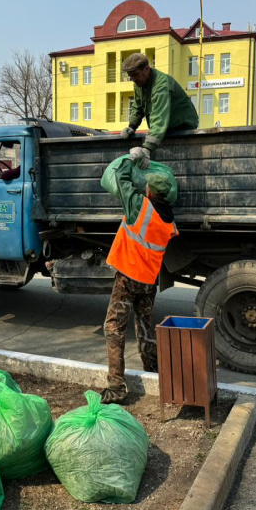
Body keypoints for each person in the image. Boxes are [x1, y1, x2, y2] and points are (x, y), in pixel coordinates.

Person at [101, 158, 178, 404]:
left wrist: (131, 158)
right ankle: (152, 368)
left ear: (149, 191)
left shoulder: (139, 207)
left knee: (113, 327)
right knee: (144, 325)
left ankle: (116, 387)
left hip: (128, 278)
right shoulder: (169, 219)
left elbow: (122, 181)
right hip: (149, 281)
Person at [120, 53, 199, 169]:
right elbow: (138, 105)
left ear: (146, 69)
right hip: (165, 127)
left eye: (136, 75)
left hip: (183, 126)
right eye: (131, 77)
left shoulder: (161, 85)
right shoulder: (140, 83)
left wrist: (147, 149)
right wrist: (132, 126)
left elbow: (159, 117)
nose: (134, 80)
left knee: (179, 164)